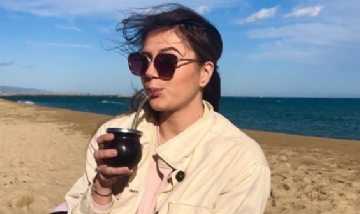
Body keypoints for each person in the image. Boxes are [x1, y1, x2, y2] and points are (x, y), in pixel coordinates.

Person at [60, 3, 271, 214]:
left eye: (166, 61)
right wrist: (102, 188)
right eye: (142, 61)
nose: (150, 73)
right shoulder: (111, 136)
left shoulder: (240, 161)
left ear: (205, 73)